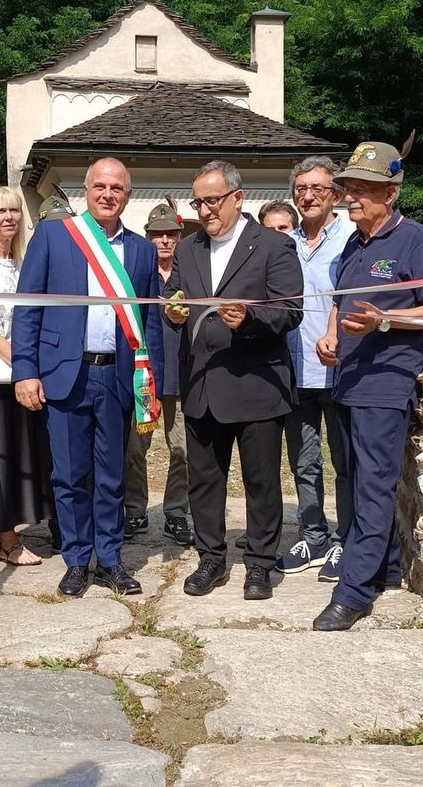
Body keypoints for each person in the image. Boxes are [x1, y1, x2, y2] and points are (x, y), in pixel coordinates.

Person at [13, 157, 164, 598]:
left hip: (117, 376)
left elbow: (149, 321)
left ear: (128, 195)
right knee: (70, 474)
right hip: (66, 374)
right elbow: (28, 309)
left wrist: (148, 380)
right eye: (100, 186)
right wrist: (26, 370)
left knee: (113, 475)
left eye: (117, 188)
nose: (108, 194)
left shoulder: (141, 250)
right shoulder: (55, 236)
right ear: (86, 189)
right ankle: (78, 559)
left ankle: (111, 558)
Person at [313, 138, 423, 631]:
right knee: (355, 479)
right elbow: (341, 300)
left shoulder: (416, 241)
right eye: (349, 188)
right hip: (348, 380)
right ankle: (386, 568)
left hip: (386, 385)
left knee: (371, 487)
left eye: (363, 190)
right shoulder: (355, 242)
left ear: (389, 194)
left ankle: (353, 592)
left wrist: (386, 320)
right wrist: (330, 335)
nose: (351, 197)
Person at [164, 160, 303, 601]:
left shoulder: (273, 245)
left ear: (237, 198)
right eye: (198, 202)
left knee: (261, 481)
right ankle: (210, 558)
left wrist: (249, 319)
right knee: (204, 479)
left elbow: (291, 309)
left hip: (257, 386)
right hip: (202, 384)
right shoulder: (188, 249)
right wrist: (172, 311)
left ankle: (260, 564)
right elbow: (174, 299)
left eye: (212, 200)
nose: (205, 210)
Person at [272, 156, 355, 583]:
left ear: (335, 195)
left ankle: (346, 538)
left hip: (340, 368)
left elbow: (353, 298)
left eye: (318, 189)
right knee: (304, 462)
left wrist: (337, 331)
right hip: (295, 368)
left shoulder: (353, 239)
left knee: (344, 460)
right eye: (301, 189)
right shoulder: (285, 242)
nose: (308, 196)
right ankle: (313, 534)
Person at [0, 185, 55, 566]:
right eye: (0, 211)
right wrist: (24, 367)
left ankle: (12, 532)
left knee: (26, 455)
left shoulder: (21, 261)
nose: (9, 218)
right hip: (1, 375)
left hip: (24, 372)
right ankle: (4, 540)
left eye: (14, 211)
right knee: (1, 456)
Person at [124, 201, 193, 546]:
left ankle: (176, 511)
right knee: (135, 449)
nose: (165, 241)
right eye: (157, 235)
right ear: (148, 237)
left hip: (182, 377)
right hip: (145, 377)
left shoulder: (191, 273)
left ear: (179, 237)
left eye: (171, 235)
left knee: (182, 449)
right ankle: (135, 509)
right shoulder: (137, 273)